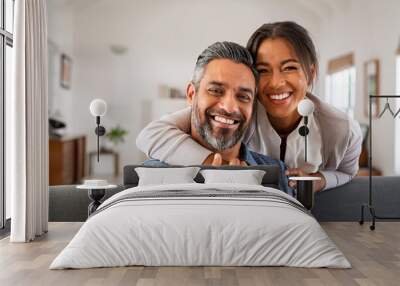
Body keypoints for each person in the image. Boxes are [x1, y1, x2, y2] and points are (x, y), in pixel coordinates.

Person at [137, 22, 362, 192]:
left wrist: (321, 180)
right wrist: (219, 167)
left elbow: (346, 172)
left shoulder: (339, 128)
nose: (276, 83)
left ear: (311, 73)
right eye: (263, 70)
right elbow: (152, 134)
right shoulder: (238, 109)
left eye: (289, 67)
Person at [144, 41, 291, 195]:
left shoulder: (278, 173)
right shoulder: (151, 175)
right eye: (215, 90)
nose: (229, 107)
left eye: (243, 96)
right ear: (191, 95)